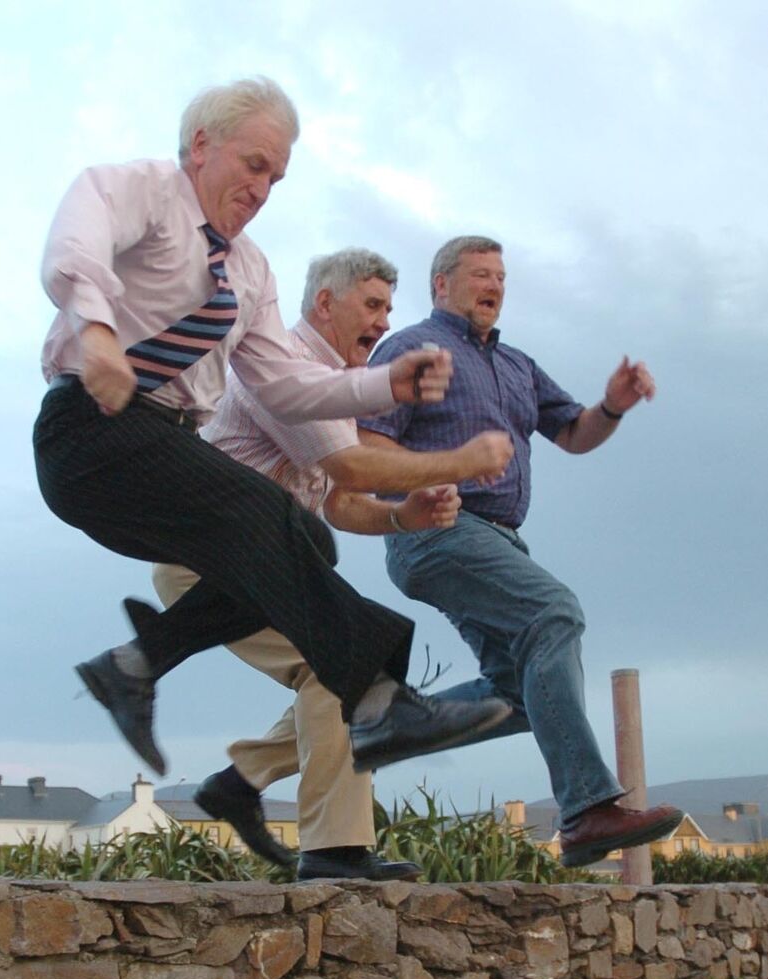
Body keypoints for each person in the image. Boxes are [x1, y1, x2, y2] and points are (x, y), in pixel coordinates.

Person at [33, 79, 502, 791]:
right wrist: (96, 332)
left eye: (275, 177)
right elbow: (77, 242)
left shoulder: (248, 271)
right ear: (201, 145)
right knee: (263, 513)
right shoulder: (139, 190)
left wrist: (384, 385)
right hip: (90, 431)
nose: (261, 188)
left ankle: (134, 665)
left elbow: (286, 382)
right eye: (253, 165)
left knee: (309, 540)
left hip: (161, 442)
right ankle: (377, 696)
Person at [151, 247, 514, 881]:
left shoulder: (337, 391)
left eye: (388, 309)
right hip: (209, 562)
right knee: (341, 666)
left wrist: (404, 515)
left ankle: (241, 783)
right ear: (325, 303)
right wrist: (462, 461)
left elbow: (342, 502)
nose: (383, 322)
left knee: (352, 661)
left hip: (261, 561)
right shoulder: (286, 372)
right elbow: (352, 469)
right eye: (372, 305)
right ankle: (332, 850)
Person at [356, 236, 683, 868]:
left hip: (498, 541)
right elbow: (369, 446)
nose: (495, 285)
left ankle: (394, 724)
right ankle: (588, 809)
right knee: (554, 612)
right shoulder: (409, 350)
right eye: (481, 273)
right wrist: (428, 480)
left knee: (518, 689)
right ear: (441, 285)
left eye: (501, 276)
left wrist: (613, 404)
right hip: (437, 529)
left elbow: (572, 433)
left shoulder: (517, 366)